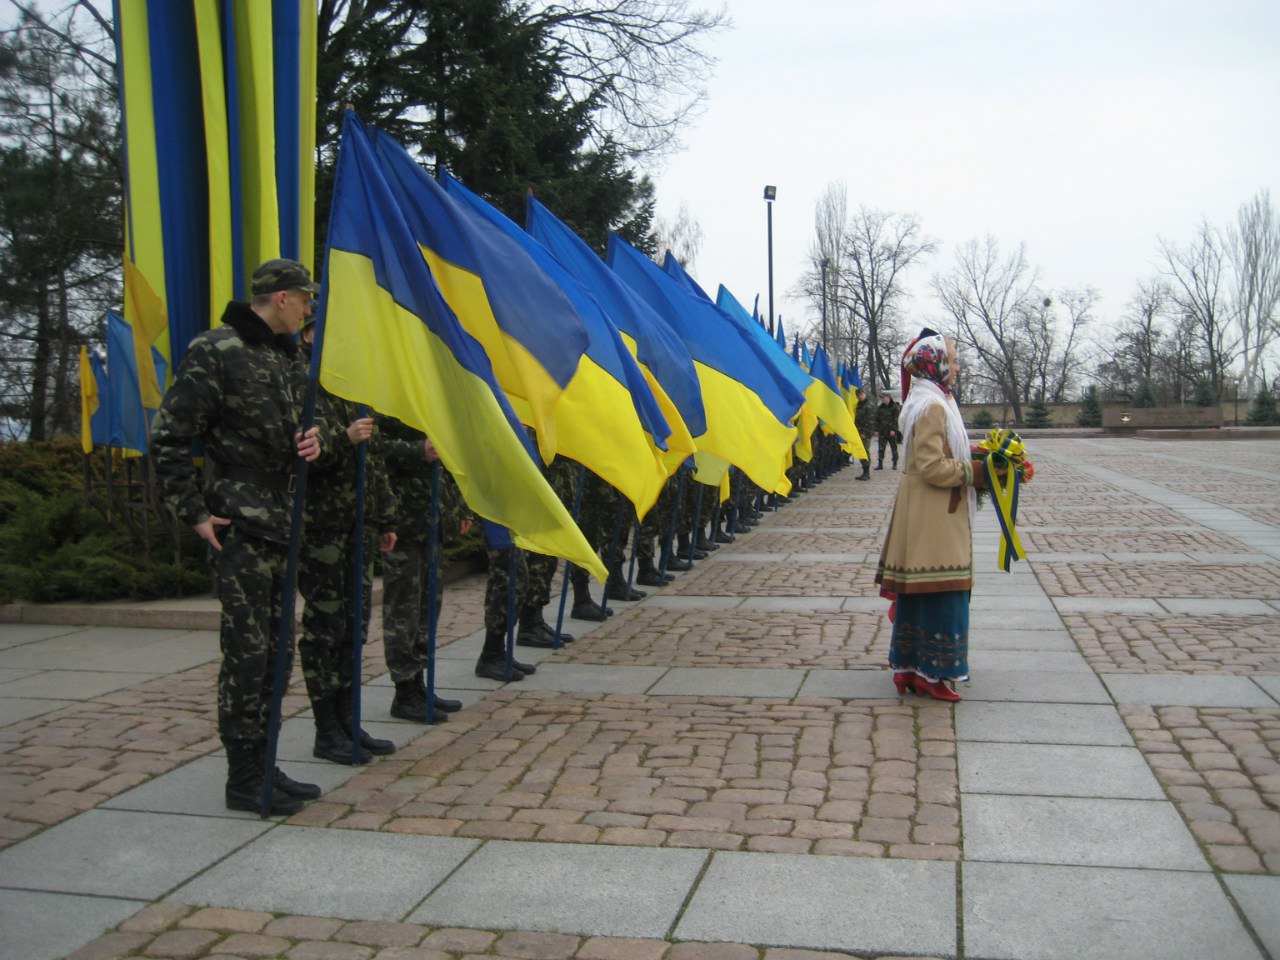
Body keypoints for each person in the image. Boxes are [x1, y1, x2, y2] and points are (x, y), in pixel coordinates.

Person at [151, 258, 327, 815]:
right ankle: (243, 777)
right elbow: (171, 437)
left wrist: (316, 442)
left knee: (277, 653)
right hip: (240, 524)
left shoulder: (287, 356)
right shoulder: (218, 350)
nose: (308, 309)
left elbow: (300, 431)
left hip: (282, 520)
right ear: (280, 298)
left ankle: (265, 758)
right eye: (305, 299)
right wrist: (195, 512)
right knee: (248, 654)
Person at [298, 319, 398, 761]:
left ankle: (348, 722)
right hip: (323, 530)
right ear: (307, 335)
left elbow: (373, 461)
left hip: (360, 527)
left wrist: (385, 514)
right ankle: (326, 731)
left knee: (353, 629)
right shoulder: (300, 385)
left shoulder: (353, 385)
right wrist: (344, 438)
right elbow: (300, 459)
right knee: (326, 631)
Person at [874, 329, 988, 702]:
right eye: (951, 360)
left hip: (926, 512)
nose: (955, 366)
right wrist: (979, 471)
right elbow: (931, 466)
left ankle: (910, 669)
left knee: (920, 595)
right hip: (934, 514)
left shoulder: (930, 400)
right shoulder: (933, 405)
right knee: (943, 592)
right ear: (934, 363)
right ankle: (933, 673)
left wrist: (977, 453)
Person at [378, 420, 467, 722]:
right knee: (403, 611)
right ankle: (404, 691)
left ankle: (419, 685)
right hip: (402, 522)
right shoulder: (386, 396)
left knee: (428, 609)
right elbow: (373, 448)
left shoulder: (428, 397)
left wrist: (458, 507)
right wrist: (417, 450)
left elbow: (449, 460)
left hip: (430, 522)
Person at [853, 388, 874, 480]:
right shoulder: (859, 405)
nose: (860, 396)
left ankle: (866, 473)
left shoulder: (868, 405)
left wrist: (865, 433)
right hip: (859, 432)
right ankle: (865, 472)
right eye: (858, 395)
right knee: (861, 451)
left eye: (861, 394)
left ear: (864, 394)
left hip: (865, 433)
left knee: (864, 451)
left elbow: (870, 421)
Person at [875, 393, 901, 470]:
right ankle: (880, 464)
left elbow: (896, 419)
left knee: (893, 448)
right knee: (881, 448)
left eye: (884, 398)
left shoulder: (894, 407)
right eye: (882, 398)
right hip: (882, 431)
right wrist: (876, 430)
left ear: (888, 398)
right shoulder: (880, 408)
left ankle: (894, 463)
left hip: (891, 431)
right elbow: (877, 420)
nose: (883, 399)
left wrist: (893, 430)